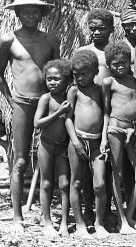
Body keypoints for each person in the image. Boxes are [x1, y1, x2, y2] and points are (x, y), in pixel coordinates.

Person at [0, 0, 59, 232]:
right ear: (18, 14)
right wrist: (10, 102)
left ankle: (46, 219)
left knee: (46, 161)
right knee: (20, 160)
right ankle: (17, 218)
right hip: (22, 104)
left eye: (35, 12)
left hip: (46, 104)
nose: (31, 16)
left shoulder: (51, 39)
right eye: (26, 12)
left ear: (42, 14)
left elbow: (58, 71)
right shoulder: (8, 40)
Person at [101, 41, 136, 234]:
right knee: (117, 174)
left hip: (134, 131)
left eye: (123, 63)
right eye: (114, 64)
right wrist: (104, 138)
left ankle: (129, 215)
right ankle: (121, 222)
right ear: (109, 65)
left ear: (129, 62)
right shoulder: (108, 82)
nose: (119, 67)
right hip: (115, 129)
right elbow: (105, 111)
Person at [65, 50, 109, 239]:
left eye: (85, 74)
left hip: (97, 141)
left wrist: (105, 138)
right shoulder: (74, 91)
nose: (80, 78)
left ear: (95, 72)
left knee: (99, 184)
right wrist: (75, 142)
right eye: (76, 75)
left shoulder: (99, 90)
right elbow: (67, 118)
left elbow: (106, 114)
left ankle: (99, 223)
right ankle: (81, 223)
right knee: (75, 182)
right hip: (78, 141)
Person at [78, 8, 114, 222]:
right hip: (89, 108)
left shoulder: (116, 50)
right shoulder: (84, 51)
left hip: (110, 110)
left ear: (111, 28)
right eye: (93, 28)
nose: (97, 32)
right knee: (86, 169)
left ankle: (107, 209)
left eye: (101, 28)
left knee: (108, 164)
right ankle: (88, 209)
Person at [34, 59, 72, 238]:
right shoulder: (46, 99)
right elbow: (37, 123)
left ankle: (64, 222)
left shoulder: (69, 97)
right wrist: (58, 113)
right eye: (49, 79)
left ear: (66, 80)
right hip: (46, 146)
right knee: (46, 182)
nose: (52, 82)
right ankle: (48, 222)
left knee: (64, 184)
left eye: (57, 79)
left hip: (63, 147)